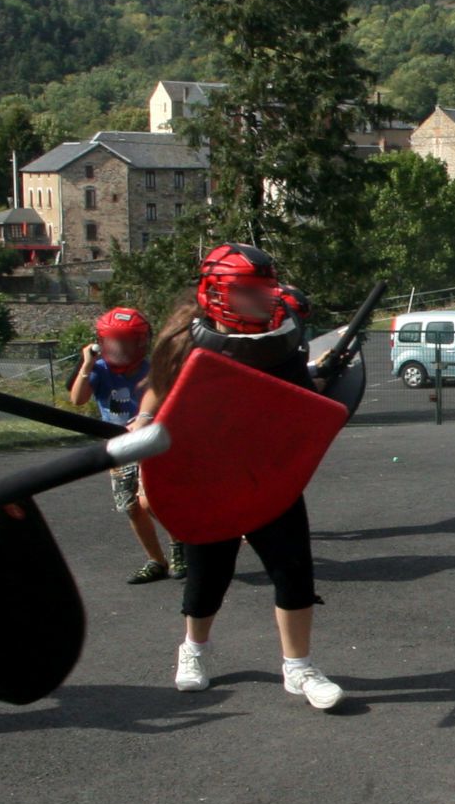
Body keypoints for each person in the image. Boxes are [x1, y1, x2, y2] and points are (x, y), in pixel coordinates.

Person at [135, 243, 345, 710]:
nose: (261, 300)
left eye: (264, 290)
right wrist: (146, 452)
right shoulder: (185, 340)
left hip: (266, 472)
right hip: (205, 476)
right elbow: (159, 395)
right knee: (209, 575)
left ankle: (298, 668)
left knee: (293, 570)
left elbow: (295, 404)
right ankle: (193, 650)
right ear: (217, 293)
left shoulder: (282, 339)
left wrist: (324, 381)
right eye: (249, 291)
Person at [70, 307, 181, 583]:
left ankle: (180, 546)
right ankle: (156, 561)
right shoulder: (99, 369)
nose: (119, 348)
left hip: (148, 443)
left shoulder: (152, 369)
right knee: (130, 506)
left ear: (141, 342)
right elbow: (78, 400)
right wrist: (86, 365)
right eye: (113, 341)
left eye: (126, 341)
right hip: (118, 446)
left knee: (149, 501)